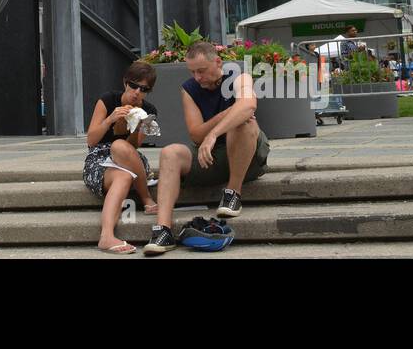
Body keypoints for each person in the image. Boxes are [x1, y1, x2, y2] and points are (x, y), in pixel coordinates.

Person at [144, 41, 271, 256]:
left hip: (247, 157)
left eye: (201, 71)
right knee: (169, 153)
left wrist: (213, 133)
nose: (197, 77)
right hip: (210, 157)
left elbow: (248, 105)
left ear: (218, 62)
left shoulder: (239, 77)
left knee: (244, 122)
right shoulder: (189, 89)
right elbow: (195, 134)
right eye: (192, 71)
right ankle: (163, 231)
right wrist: (226, 115)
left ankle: (233, 193)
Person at [82, 61, 159, 254]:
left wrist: (139, 125)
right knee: (122, 175)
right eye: (133, 85)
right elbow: (91, 140)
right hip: (99, 158)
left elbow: (133, 147)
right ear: (125, 82)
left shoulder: (149, 111)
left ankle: (145, 198)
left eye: (143, 89)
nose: (137, 92)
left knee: (120, 146)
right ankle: (107, 236)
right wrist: (111, 119)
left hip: (130, 158)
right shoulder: (108, 100)